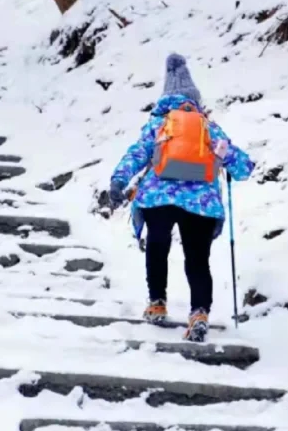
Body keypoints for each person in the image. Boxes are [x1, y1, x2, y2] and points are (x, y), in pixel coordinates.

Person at [108, 54, 254, 343]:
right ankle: (199, 313)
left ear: (165, 98)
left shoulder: (159, 125)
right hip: (200, 202)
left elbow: (137, 154)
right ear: (195, 98)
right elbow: (241, 166)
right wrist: (235, 163)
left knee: (157, 246)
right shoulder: (207, 127)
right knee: (198, 259)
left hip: (158, 197)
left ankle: (157, 303)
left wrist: (119, 180)